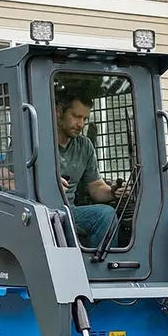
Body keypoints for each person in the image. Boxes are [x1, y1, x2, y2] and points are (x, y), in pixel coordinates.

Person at [55, 91, 124, 248]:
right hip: (38, 213)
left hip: (69, 212)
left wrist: (114, 192)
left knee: (106, 214)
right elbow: (6, 180)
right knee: (105, 214)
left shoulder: (84, 146)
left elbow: (96, 188)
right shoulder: (33, 140)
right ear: (59, 111)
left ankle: (96, 266)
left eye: (85, 118)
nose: (81, 124)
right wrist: (45, 183)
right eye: (76, 116)